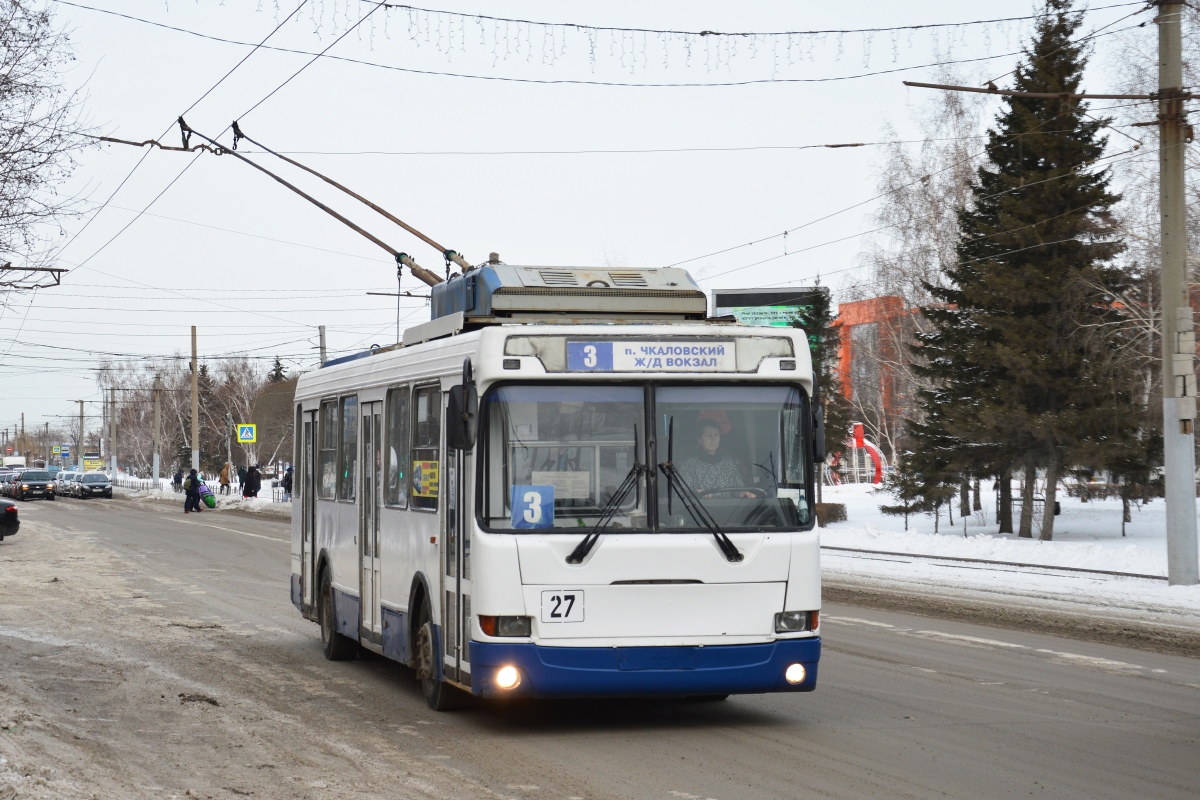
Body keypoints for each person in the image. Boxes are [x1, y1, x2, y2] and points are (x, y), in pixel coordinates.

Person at [677, 412, 756, 499]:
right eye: (708, 435)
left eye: (716, 435)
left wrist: (743, 494)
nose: (713, 439)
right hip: (699, 511)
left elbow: (738, 490)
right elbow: (681, 494)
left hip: (730, 511)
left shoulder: (728, 462)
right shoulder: (689, 464)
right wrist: (697, 494)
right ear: (699, 439)